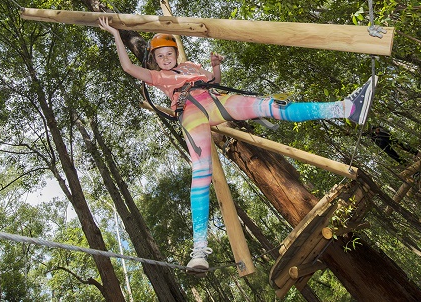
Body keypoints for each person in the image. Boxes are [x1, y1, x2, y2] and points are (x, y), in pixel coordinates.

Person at [98, 17, 375, 274]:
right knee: (201, 174)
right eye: (160, 56)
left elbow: (214, 82)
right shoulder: (158, 77)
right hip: (190, 113)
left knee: (272, 105)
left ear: (175, 53)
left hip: (215, 101)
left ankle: (345, 108)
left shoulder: (193, 67)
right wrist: (115, 34)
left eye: (169, 53)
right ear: (156, 61)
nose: (165, 58)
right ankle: (198, 251)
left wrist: (215, 65)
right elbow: (128, 67)